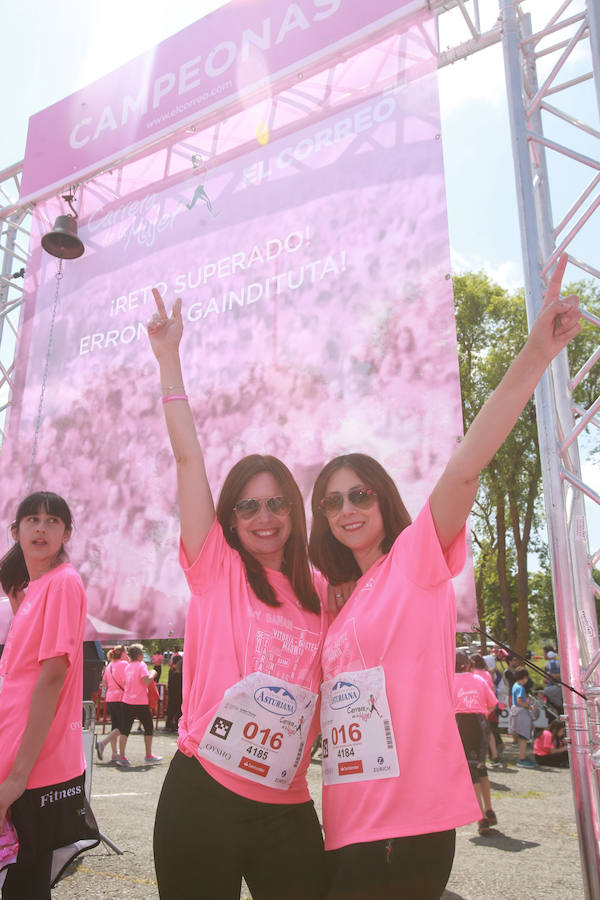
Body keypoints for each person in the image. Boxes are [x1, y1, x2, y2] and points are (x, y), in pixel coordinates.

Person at [308, 256, 580, 899]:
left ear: (384, 502)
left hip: (411, 817)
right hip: (347, 814)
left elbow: (464, 469)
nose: (348, 509)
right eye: (334, 501)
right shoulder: (337, 601)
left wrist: (534, 357)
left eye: (361, 495)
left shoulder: (414, 559)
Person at [147, 289, 329, 900]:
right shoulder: (216, 567)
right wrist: (169, 359)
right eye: (248, 505)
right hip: (203, 799)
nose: (264, 516)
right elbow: (186, 457)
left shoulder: (325, 593)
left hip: (288, 806)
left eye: (277, 502)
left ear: (293, 511)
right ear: (230, 516)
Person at [0, 491, 99, 898]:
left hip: (32, 771)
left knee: (24, 888)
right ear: (16, 531)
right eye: (32, 520)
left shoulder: (63, 583)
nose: (41, 527)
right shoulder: (35, 589)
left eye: (52, 520)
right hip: (16, 759)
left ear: (67, 533)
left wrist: (18, 777)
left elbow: (51, 678)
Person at [454, 652, 499, 836]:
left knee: (471, 772)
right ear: (468, 664)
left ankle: (481, 817)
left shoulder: (450, 681)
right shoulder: (479, 680)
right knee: (481, 768)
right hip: (480, 722)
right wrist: (482, 714)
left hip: (462, 723)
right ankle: (489, 808)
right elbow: (493, 704)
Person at [116, 644, 162, 767]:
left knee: (125, 729)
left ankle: (122, 757)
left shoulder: (127, 667)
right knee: (148, 727)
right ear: (140, 655)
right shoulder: (141, 665)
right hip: (140, 702)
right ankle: (148, 755)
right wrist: (153, 673)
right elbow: (146, 680)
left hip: (126, 701)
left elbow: (125, 683)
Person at [96, 645, 129, 762]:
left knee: (115, 726)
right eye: (126, 652)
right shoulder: (125, 665)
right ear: (122, 653)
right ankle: (103, 743)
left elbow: (104, 682)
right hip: (121, 697)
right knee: (122, 726)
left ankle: (115, 753)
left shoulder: (109, 665)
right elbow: (128, 681)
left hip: (110, 698)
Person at [509, 667, 536, 767]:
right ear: (524, 678)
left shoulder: (515, 685)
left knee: (521, 736)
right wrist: (529, 706)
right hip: (521, 713)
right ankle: (522, 758)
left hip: (515, 711)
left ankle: (522, 756)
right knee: (524, 736)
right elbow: (520, 701)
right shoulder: (521, 687)